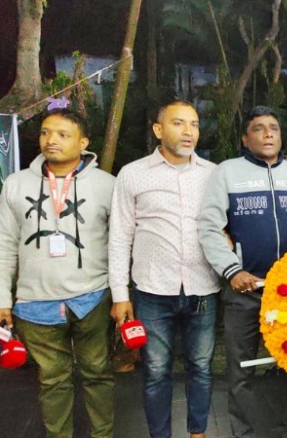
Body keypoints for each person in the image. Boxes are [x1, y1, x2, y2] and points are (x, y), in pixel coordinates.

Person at [198, 105, 287, 438]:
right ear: (245, 138)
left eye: (273, 127)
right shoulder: (227, 173)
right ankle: (244, 433)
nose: (268, 133)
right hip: (245, 290)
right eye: (258, 128)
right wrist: (232, 271)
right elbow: (209, 227)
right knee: (241, 370)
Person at [0, 108, 115, 437]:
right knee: (52, 380)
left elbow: (120, 244)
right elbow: (3, 245)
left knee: (98, 373)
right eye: (46, 132)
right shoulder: (16, 184)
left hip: (92, 297)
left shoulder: (107, 185)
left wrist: (121, 295)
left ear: (83, 142)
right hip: (35, 302)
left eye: (63, 134)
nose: (52, 140)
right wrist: (1, 299)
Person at [109, 100, 219, 438]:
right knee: (156, 371)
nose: (189, 131)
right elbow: (119, 236)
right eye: (178, 123)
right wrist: (120, 295)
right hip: (152, 291)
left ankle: (198, 433)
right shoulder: (133, 174)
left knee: (201, 367)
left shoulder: (213, 174)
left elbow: (225, 226)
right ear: (158, 130)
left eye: (194, 124)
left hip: (203, 288)